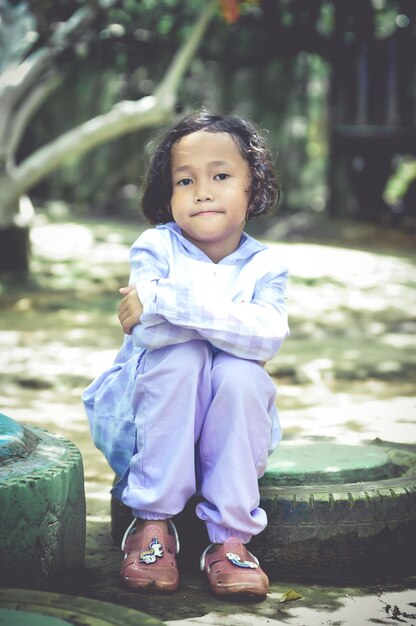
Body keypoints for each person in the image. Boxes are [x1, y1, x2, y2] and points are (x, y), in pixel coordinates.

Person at [83, 111, 289, 599]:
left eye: (221, 176)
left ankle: (230, 539)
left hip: (231, 429)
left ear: (253, 189)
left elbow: (266, 337)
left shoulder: (265, 266)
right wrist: (206, 320)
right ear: (167, 194)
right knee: (181, 357)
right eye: (185, 180)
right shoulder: (156, 246)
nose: (202, 191)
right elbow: (149, 331)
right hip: (147, 422)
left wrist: (166, 300)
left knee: (242, 375)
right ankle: (151, 523)